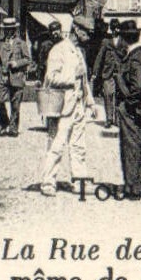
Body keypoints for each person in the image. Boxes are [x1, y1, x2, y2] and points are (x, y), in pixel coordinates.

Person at [40, 17, 95, 195]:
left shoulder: (79, 52)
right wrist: (72, 76)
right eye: (86, 32)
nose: (89, 35)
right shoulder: (59, 50)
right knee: (56, 144)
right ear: (77, 30)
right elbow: (51, 78)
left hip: (78, 105)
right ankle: (48, 182)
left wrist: (90, 102)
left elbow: (84, 80)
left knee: (79, 146)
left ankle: (79, 181)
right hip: (62, 106)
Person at [115, 18, 141, 199]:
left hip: (131, 109)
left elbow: (137, 88)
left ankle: (134, 187)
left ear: (124, 38)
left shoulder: (135, 59)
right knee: (138, 145)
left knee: (131, 146)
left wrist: (126, 101)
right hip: (137, 108)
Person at [0, 18, 30, 135]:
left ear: (14, 30)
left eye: (10, 29)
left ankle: (13, 127)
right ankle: (4, 123)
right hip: (1, 76)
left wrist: (17, 63)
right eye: (6, 30)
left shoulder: (21, 43)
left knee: (15, 105)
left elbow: (27, 59)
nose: (8, 32)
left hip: (16, 77)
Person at [91, 18, 122, 129]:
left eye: (118, 28)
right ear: (111, 29)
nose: (116, 31)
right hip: (107, 73)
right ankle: (109, 119)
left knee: (119, 96)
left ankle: (117, 119)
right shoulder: (106, 41)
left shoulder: (123, 42)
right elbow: (99, 57)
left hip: (119, 73)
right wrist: (95, 72)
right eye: (114, 29)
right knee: (108, 95)